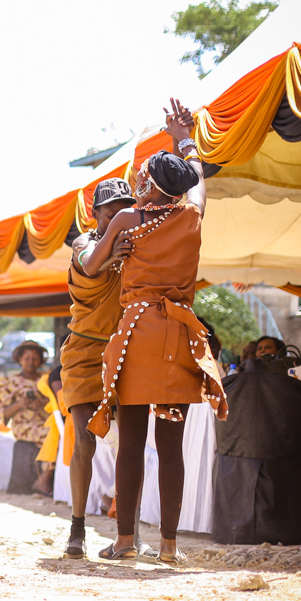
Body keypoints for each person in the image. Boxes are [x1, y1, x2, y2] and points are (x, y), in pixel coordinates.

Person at [85, 99, 227, 565]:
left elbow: (90, 264)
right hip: (179, 337)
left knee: (131, 441)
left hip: (138, 335)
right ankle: (168, 546)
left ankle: (125, 541)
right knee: (171, 446)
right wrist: (183, 137)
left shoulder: (128, 219)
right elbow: (198, 178)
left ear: (145, 183)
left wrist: (112, 251)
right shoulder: (192, 217)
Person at [59, 178, 136, 558]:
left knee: (131, 444)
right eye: (112, 213)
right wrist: (113, 253)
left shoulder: (134, 245)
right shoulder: (83, 242)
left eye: (126, 211)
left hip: (125, 356)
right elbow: (90, 264)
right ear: (96, 215)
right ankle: (77, 527)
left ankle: (127, 534)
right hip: (84, 354)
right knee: (85, 441)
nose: (120, 219)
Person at [0, 340, 50, 494]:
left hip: (45, 422)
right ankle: (44, 480)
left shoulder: (45, 380)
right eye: (26, 358)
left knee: (58, 433)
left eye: (35, 358)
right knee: (50, 436)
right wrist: (20, 404)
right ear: (19, 359)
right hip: (24, 426)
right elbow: (2, 413)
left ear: (41, 360)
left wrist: (41, 403)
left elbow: (56, 404)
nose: (31, 362)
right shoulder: (10, 382)